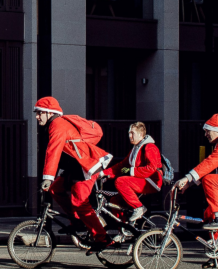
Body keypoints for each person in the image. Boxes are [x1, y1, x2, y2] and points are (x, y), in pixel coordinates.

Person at [35, 96, 114, 255]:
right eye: (36, 113)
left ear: (50, 113)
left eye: (40, 113)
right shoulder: (53, 125)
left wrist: (47, 177)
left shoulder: (57, 125)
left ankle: (102, 238)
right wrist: (51, 180)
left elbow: (53, 151)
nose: (37, 116)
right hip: (73, 168)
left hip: (85, 166)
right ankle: (77, 222)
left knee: (79, 202)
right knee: (55, 189)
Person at [102, 122, 163, 222]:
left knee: (121, 181)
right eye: (129, 133)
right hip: (140, 180)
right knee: (115, 201)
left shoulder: (149, 147)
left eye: (132, 133)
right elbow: (122, 166)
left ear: (140, 134)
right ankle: (124, 230)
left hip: (151, 181)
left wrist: (131, 171)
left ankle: (139, 208)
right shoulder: (135, 148)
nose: (129, 136)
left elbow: (151, 168)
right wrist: (104, 174)